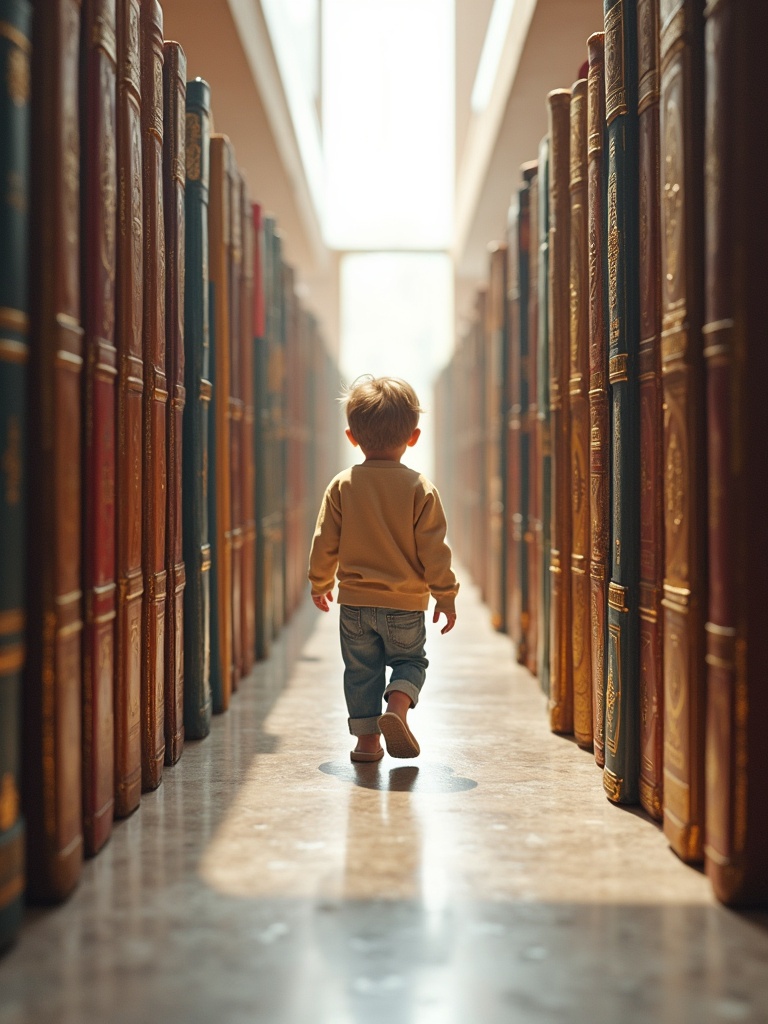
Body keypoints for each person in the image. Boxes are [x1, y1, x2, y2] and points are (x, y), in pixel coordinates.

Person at [308, 375, 459, 762]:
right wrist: (445, 596)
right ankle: (397, 707)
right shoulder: (419, 488)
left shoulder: (342, 485)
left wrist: (320, 582)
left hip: (355, 606)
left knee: (360, 672)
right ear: (413, 436)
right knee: (410, 661)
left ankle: (367, 743)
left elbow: (325, 541)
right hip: (405, 605)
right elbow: (435, 550)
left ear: (351, 436)